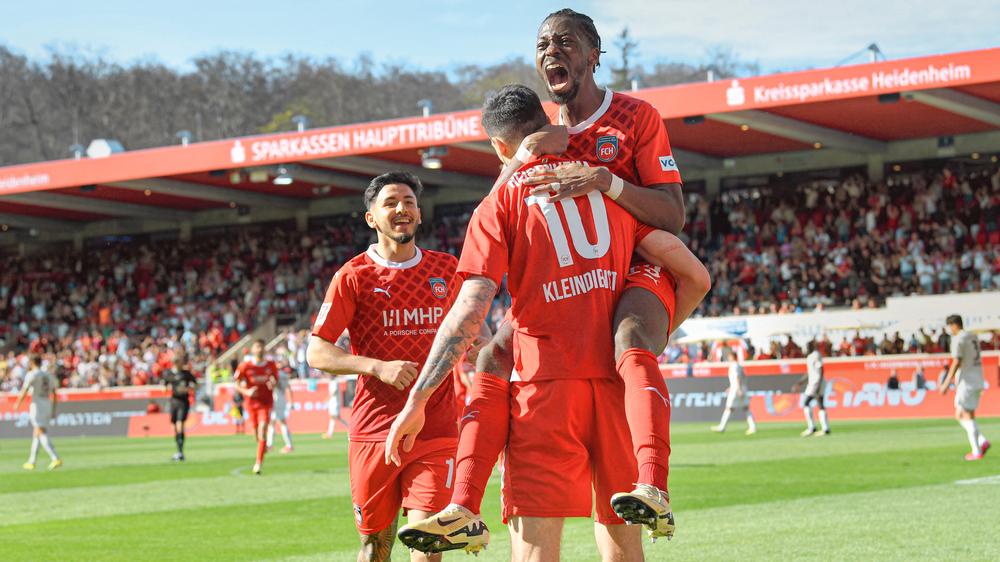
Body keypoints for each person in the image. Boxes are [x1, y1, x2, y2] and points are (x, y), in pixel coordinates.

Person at [400, 8, 708, 553]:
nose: (551, 51)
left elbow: (672, 215)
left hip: (635, 260)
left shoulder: (634, 118)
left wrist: (608, 184)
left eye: (565, 42)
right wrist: (519, 160)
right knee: (495, 353)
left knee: (630, 335)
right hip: (574, 312)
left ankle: (650, 482)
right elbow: (698, 277)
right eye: (542, 44)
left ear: (594, 54)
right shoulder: (542, 145)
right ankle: (464, 506)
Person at [307, 171, 482, 562]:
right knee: (375, 548)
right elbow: (316, 352)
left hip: (435, 430)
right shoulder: (353, 276)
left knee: (427, 545)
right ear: (371, 218)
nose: (401, 209)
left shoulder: (445, 269)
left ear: (419, 214)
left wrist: (485, 349)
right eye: (390, 203)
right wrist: (375, 367)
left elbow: (475, 333)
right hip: (375, 432)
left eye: (408, 202)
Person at [939, 314, 990, 460]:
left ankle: (977, 451)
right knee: (969, 415)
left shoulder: (958, 339)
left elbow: (957, 361)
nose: (950, 330)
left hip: (966, 382)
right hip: (978, 378)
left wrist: (946, 382)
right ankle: (982, 442)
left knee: (962, 415)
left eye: (950, 327)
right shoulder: (972, 337)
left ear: (954, 325)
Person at [234, 340, 279, 475]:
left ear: (264, 350)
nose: (259, 349)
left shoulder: (271, 365)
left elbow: (274, 380)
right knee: (256, 435)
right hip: (251, 403)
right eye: (257, 347)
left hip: (266, 403)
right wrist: (247, 392)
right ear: (252, 350)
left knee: (263, 428)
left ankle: (258, 463)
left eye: (261, 347)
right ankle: (262, 445)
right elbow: (236, 384)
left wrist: (273, 384)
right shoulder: (245, 366)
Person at [14, 355, 62, 470]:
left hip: (37, 405)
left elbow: (25, 390)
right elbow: (55, 393)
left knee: (40, 431)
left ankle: (55, 457)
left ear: (32, 362)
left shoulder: (32, 374)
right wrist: (54, 409)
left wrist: (17, 404)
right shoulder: (48, 375)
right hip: (47, 404)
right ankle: (32, 461)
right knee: (37, 433)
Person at [163, 349, 198, 461]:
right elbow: (165, 387)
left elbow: (195, 385)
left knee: (179, 425)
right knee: (175, 427)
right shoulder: (169, 374)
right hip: (173, 401)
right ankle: (178, 450)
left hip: (183, 401)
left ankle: (180, 452)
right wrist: (168, 389)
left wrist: (188, 389)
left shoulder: (186, 374)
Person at [711, 348, 756, 435]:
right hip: (741, 388)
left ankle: (722, 427)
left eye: (729, 357)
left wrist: (737, 388)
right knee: (746, 408)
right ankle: (752, 427)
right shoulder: (739, 365)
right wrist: (731, 387)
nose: (728, 358)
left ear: (732, 357)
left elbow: (737, 377)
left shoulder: (734, 366)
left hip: (736, 389)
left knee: (729, 408)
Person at [798, 342, 830, 436]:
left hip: (816, 383)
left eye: (807, 347)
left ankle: (812, 427)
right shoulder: (810, 357)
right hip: (814, 383)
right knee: (820, 404)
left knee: (806, 402)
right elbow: (810, 373)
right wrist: (800, 383)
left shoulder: (815, 355)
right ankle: (825, 428)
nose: (806, 349)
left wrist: (818, 384)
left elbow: (821, 369)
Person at [266, 367, 295, 453]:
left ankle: (289, 445)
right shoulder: (284, 375)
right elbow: (288, 388)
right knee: (272, 422)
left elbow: (275, 385)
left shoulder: (276, 375)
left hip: (276, 399)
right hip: (281, 398)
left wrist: (270, 383)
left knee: (281, 422)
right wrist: (291, 401)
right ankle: (269, 444)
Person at [322, 375, 344, 439]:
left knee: (333, 417)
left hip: (335, 403)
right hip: (332, 403)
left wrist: (326, 399)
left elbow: (333, 392)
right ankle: (349, 428)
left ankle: (329, 434)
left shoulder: (334, 382)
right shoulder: (331, 382)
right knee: (336, 417)